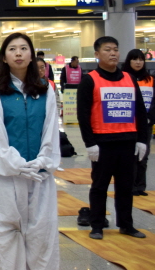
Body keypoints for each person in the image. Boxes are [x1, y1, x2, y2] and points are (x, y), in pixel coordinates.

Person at [0, 33, 60, 269]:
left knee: (42, 236)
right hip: (7, 177)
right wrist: (17, 165)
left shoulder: (45, 89)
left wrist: (42, 161)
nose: (18, 53)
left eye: (24, 48)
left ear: (31, 55)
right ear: (3, 57)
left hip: (39, 176)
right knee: (6, 237)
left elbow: (50, 131)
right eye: (12, 49)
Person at [77, 37, 149, 240]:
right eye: (107, 49)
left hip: (127, 143)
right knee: (99, 187)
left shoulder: (129, 78)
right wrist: (90, 143)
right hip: (102, 144)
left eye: (116, 49)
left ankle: (126, 224)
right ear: (97, 54)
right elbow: (83, 115)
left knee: (125, 187)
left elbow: (140, 112)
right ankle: (97, 225)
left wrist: (142, 139)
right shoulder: (90, 80)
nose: (113, 53)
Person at [122, 48, 155, 197]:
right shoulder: (124, 79)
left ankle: (140, 186)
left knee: (143, 155)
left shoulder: (151, 80)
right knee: (130, 156)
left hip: (146, 124)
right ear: (129, 61)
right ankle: (130, 186)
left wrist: (150, 118)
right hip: (129, 123)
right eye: (135, 59)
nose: (138, 62)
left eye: (141, 59)